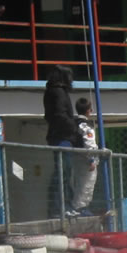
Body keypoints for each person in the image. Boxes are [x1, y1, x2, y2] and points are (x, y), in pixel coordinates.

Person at [43, 65, 80, 218]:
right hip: (61, 137)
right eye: (69, 76)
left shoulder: (56, 91)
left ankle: (66, 205)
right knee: (63, 172)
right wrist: (74, 126)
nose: (72, 80)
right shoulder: (57, 92)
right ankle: (61, 207)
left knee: (65, 172)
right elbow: (59, 115)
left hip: (62, 136)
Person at [72, 97, 99, 216]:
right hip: (85, 160)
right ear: (88, 110)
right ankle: (81, 208)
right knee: (87, 184)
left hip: (76, 157)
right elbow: (89, 144)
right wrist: (92, 160)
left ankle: (77, 207)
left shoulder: (73, 123)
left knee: (77, 183)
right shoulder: (86, 126)